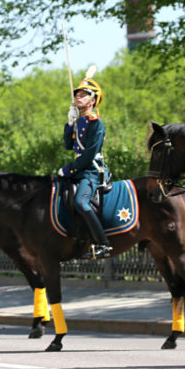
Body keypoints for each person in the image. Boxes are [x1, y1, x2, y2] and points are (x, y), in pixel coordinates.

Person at [58, 77, 112, 259]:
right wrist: (69, 124)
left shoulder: (97, 123)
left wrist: (69, 169)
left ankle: (103, 244)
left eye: (84, 95)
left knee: (81, 201)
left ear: (93, 100)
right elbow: (67, 145)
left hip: (90, 172)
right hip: (79, 171)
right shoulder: (80, 122)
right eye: (77, 95)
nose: (79, 98)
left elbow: (89, 155)